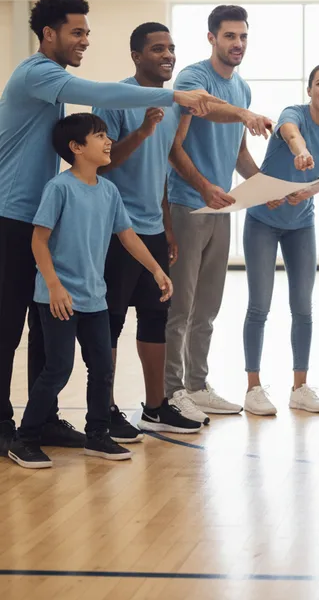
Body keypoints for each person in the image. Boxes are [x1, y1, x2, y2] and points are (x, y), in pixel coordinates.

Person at [0, 0, 217, 458]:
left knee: (44, 326)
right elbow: (98, 93)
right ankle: (3, 426)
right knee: (8, 326)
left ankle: (45, 421)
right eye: (76, 32)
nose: (84, 41)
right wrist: (172, 94)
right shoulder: (37, 73)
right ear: (49, 34)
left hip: (35, 211)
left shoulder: (50, 81)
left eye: (87, 33)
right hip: (11, 217)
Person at [7, 114, 173, 468]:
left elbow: (127, 236)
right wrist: (53, 287)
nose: (108, 141)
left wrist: (156, 269)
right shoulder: (59, 188)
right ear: (77, 148)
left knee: (102, 368)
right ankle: (26, 438)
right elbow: (39, 241)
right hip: (58, 300)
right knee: (58, 369)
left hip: (95, 298)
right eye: (100, 136)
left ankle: (98, 434)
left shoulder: (109, 191)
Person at [94, 23, 207, 441]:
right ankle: (101, 410)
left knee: (155, 317)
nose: (168, 55)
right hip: (116, 231)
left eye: (172, 48)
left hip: (154, 230)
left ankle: (156, 408)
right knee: (110, 321)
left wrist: (166, 224)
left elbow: (160, 170)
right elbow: (102, 164)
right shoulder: (116, 99)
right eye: (157, 48)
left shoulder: (172, 105)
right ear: (136, 55)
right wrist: (141, 131)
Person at [165, 5, 270, 422]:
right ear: (212, 38)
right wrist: (205, 185)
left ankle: (197, 385)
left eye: (243, 37)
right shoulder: (194, 78)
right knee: (181, 306)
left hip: (222, 207)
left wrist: (264, 186)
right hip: (188, 205)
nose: (237, 44)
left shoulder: (242, 88)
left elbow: (238, 151)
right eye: (229, 36)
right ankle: (173, 392)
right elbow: (197, 116)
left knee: (207, 306)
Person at [242, 63, 319, 415]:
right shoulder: (293, 115)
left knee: (303, 307)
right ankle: (253, 388)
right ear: (309, 90)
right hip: (262, 221)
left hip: (301, 224)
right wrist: (300, 151)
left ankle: (299, 387)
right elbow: (290, 134)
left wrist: (309, 191)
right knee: (259, 305)